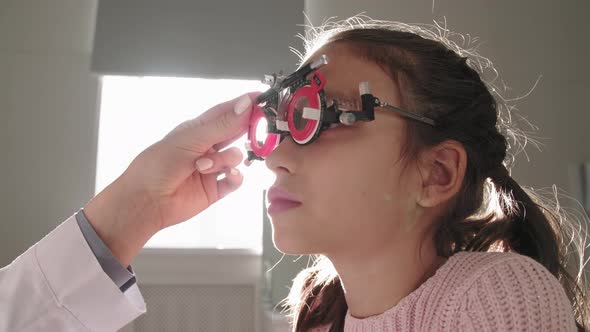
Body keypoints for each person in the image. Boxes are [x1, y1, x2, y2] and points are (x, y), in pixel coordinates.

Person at [0, 15, 588, 332]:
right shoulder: (320, 315)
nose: (277, 156)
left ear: (435, 173)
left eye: (318, 116)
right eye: (275, 123)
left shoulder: (494, 293)